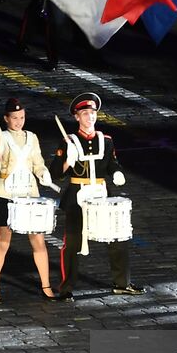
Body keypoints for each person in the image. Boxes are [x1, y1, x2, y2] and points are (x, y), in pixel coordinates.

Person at [51, 93, 142, 299]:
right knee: (72, 244)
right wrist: (68, 161)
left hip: (101, 195)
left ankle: (122, 283)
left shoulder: (106, 140)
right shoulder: (68, 142)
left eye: (92, 113)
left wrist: (117, 172)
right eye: (85, 114)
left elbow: (112, 163)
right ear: (77, 117)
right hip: (77, 197)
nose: (90, 117)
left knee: (117, 238)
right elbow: (55, 173)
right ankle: (66, 289)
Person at [0, 97, 62, 301]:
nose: (19, 121)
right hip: (6, 195)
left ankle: (46, 286)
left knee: (38, 241)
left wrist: (43, 173)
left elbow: (38, 163)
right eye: (14, 118)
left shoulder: (32, 137)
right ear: (6, 119)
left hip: (30, 194)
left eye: (22, 117)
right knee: (2, 242)